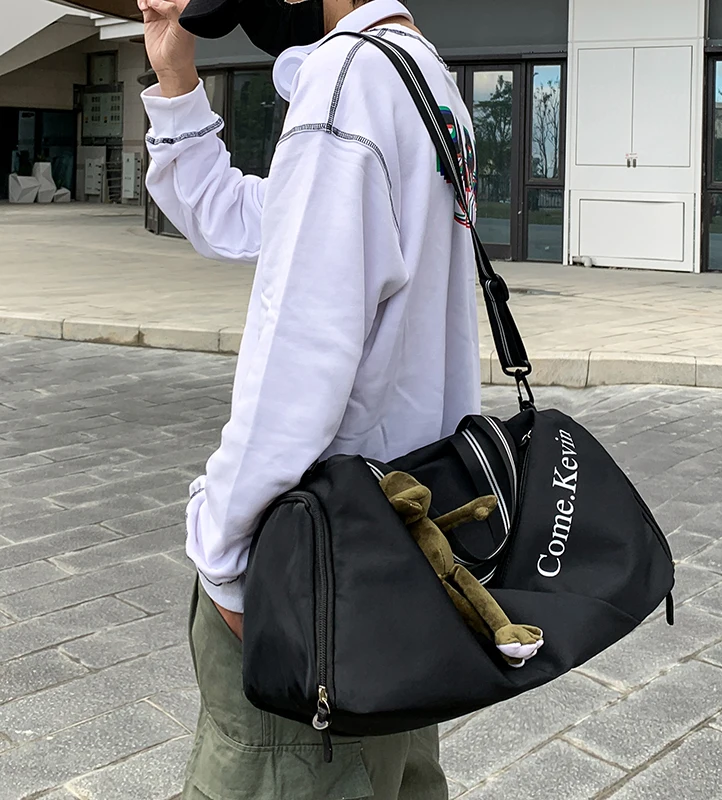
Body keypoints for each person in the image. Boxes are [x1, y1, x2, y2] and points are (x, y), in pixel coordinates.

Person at [139, 0, 480, 796]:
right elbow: (245, 219)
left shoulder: (346, 79)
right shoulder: (420, 73)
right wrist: (177, 79)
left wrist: (226, 556)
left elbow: (301, 351)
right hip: (402, 563)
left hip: (318, 576)